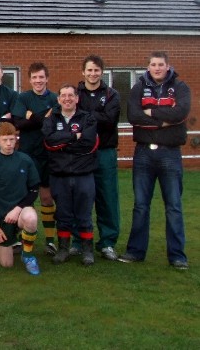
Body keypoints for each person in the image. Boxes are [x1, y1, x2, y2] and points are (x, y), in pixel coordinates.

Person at [119, 51, 191, 270]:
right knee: (141, 205)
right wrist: (162, 123)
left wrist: (150, 113)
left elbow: (180, 113)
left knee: (174, 206)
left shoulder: (180, 88)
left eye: (161, 64)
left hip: (170, 153)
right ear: (148, 67)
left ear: (168, 66)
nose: (157, 68)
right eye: (153, 64)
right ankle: (135, 251)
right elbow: (133, 116)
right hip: (143, 154)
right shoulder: (138, 88)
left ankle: (177, 256)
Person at [42, 84, 98, 266]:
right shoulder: (51, 118)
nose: (67, 99)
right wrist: (74, 137)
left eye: (70, 95)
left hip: (83, 173)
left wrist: (63, 142)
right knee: (63, 214)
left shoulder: (87, 118)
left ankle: (87, 250)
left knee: (84, 214)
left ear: (77, 98)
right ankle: (63, 249)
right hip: (60, 174)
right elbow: (49, 140)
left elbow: (88, 142)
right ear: (58, 100)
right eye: (63, 96)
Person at [0, 123, 41, 275]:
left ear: (16, 140)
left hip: (19, 212)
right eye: (5, 140)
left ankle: (27, 255)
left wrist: (18, 209)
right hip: (1, 217)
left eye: (12, 140)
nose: (8, 144)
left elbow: (34, 190)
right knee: (6, 264)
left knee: (31, 217)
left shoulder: (25, 160)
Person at [75, 55, 121, 261]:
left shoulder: (112, 94)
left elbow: (110, 121)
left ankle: (108, 242)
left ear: (102, 72)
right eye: (89, 70)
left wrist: (87, 116)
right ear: (83, 72)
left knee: (107, 198)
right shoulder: (75, 93)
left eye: (96, 70)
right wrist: (94, 116)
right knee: (80, 197)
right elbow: (72, 118)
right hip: (81, 153)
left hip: (105, 152)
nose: (93, 74)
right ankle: (78, 241)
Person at [12, 62, 58, 255]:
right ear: (29, 80)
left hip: (48, 154)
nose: (38, 81)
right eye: (34, 78)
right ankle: (21, 239)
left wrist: (32, 116)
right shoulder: (23, 98)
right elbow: (18, 123)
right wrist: (41, 118)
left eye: (41, 77)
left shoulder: (56, 98)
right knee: (23, 198)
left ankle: (49, 240)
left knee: (47, 197)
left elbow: (51, 124)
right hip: (27, 154)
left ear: (47, 78)